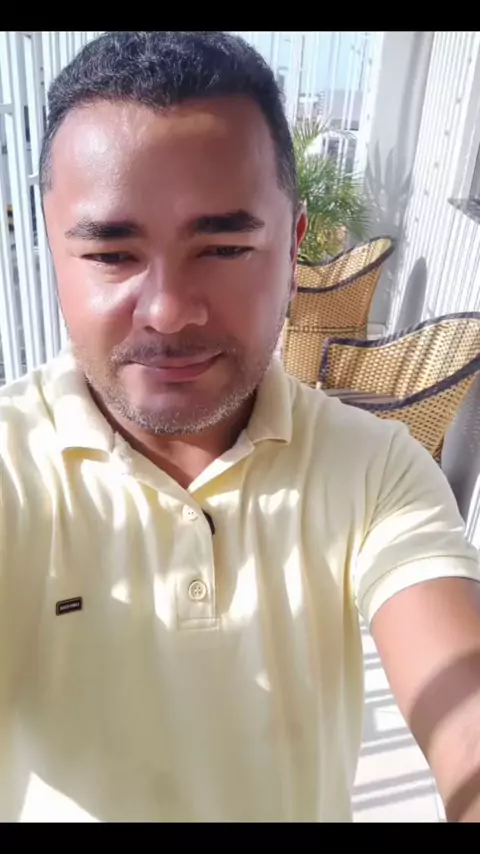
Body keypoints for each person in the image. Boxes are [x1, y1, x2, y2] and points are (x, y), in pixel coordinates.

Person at [0, 31, 479, 824]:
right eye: (112, 255)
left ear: (293, 250)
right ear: (54, 253)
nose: (167, 311)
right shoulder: (15, 467)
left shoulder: (374, 470)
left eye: (224, 248)